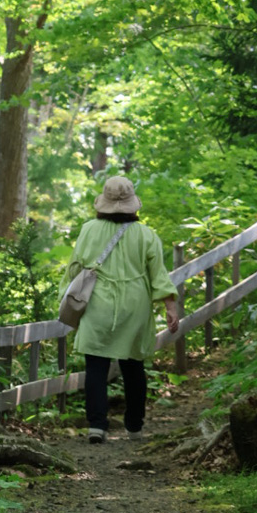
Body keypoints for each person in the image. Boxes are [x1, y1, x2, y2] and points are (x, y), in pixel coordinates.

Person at [62, 175, 180, 444]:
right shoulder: (146, 234)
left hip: (97, 304)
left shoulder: (89, 229)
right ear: (132, 205)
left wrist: (66, 299)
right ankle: (134, 426)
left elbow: (75, 268)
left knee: (95, 364)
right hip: (134, 306)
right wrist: (170, 306)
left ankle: (97, 425)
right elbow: (158, 274)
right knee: (133, 366)